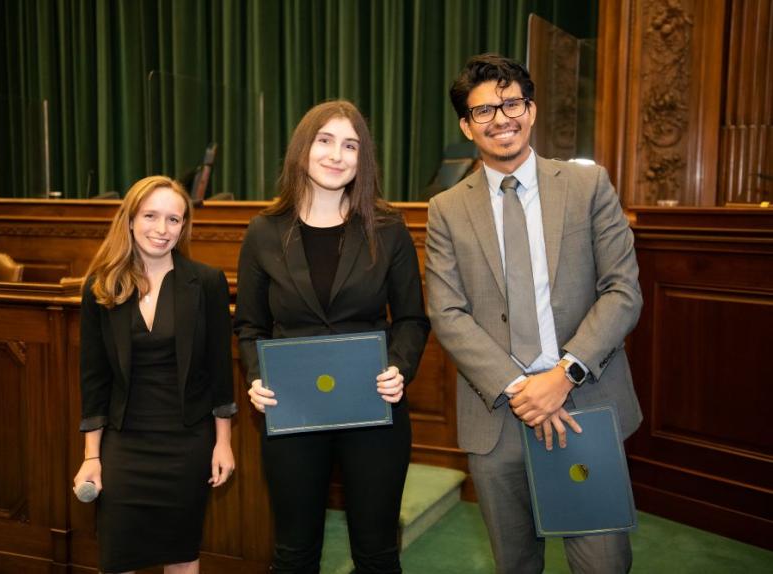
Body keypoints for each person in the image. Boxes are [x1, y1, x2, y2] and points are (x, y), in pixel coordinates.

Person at [425, 53, 643, 574]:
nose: (501, 119)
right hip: (497, 414)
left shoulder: (588, 186)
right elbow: (447, 312)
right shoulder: (446, 209)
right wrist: (521, 389)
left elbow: (622, 291)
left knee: (603, 564)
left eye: (512, 104)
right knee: (515, 564)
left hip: (584, 402)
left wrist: (563, 376)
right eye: (483, 111)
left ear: (532, 110)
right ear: (466, 126)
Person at [234, 100, 430, 573]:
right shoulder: (263, 232)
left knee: (377, 553)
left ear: (363, 159)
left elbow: (411, 319)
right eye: (325, 141)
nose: (336, 155)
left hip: (374, 408)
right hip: (293, 410)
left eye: (350, 145)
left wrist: (399, 368)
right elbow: (249, 326)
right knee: (294, 553)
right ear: (303, 147)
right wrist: (257, 378)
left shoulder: (388, 228)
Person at [72, 175, 236, 574]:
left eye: (173, 219)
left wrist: (223, 444)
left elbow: (220, 372)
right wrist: (91, 456)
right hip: (124, 442)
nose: (162, 229)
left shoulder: (207, 282)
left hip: (187, 442)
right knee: (118, 557)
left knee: (182, 555)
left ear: (184, 227)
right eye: (150, 216)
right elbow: (94, 379)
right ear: (129, 219)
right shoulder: (100, 286)